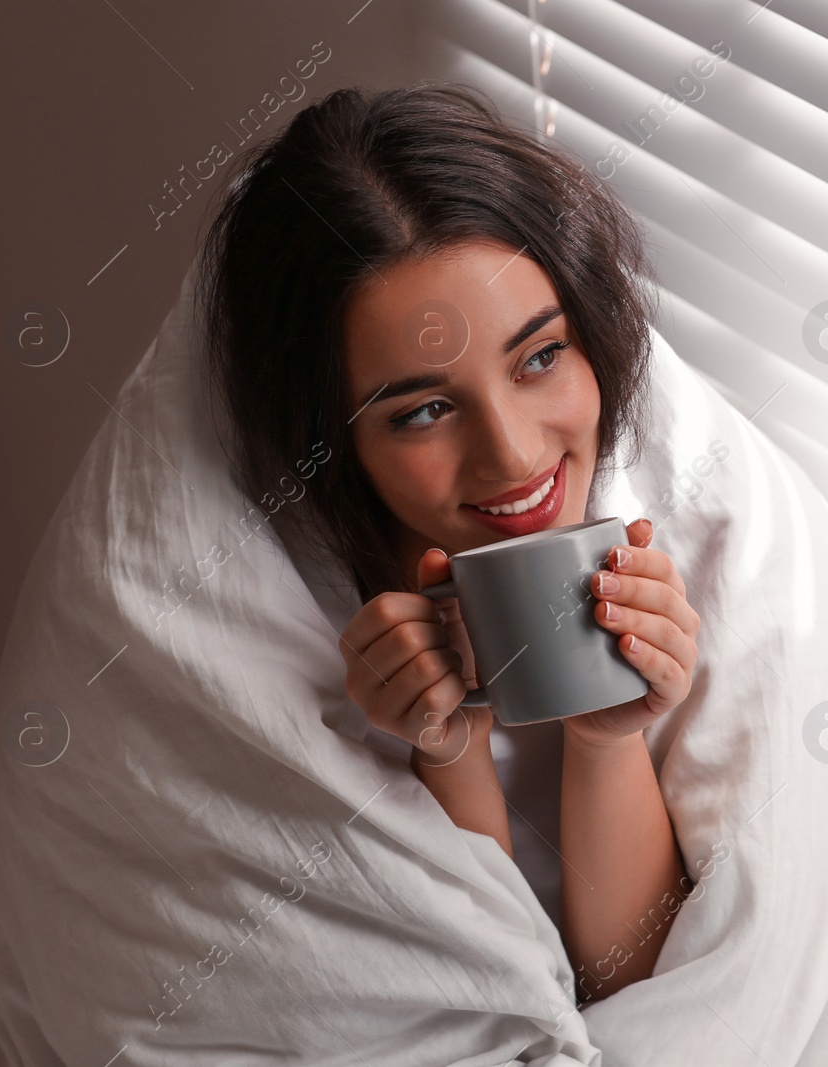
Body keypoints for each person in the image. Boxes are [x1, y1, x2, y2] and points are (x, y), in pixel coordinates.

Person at [196, 81, 702, 1003]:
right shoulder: (282, 615)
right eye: (424, 409)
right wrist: (447, 748)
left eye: (540, 356)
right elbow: (481, 1003)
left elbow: (637, 985)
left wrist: (607, 736)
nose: (513, 454)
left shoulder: (665, 510)